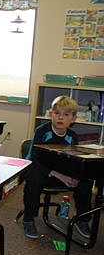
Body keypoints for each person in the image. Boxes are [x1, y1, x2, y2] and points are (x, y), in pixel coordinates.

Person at [22, 96, 92, 239]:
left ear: (73, 119)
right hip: (42, 170)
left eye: (66, 115)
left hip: (62, 174)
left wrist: (75, 177)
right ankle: (29, 218)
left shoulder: (72, 136)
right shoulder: (42, 131)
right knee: (33, 178)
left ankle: (82, 219)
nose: (60, 117)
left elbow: (74, 160)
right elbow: (34, 159)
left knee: (86, 182)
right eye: (57, 113)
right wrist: (59, 175)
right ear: (50, 114)